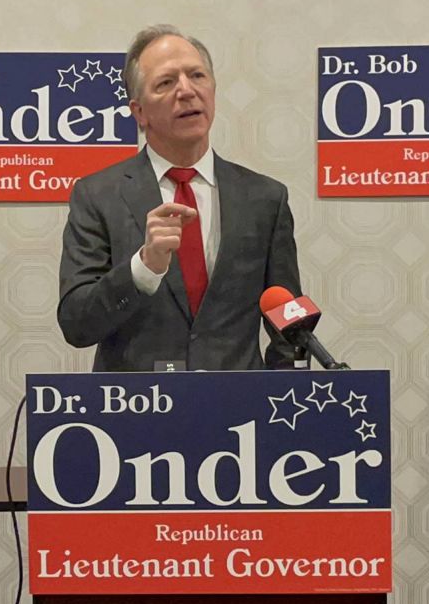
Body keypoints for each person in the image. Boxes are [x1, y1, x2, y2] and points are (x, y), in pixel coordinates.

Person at [57, 25, 301, 372]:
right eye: (166, 83)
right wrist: (144, 267)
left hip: (240, 411)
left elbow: (287, 326)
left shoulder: (265, 199)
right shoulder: (97, 196)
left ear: (213, 91)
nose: (187, 91)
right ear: (139, 112)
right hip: (136, 412)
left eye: (197, 75)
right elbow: (76, 324)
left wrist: (282, 404)